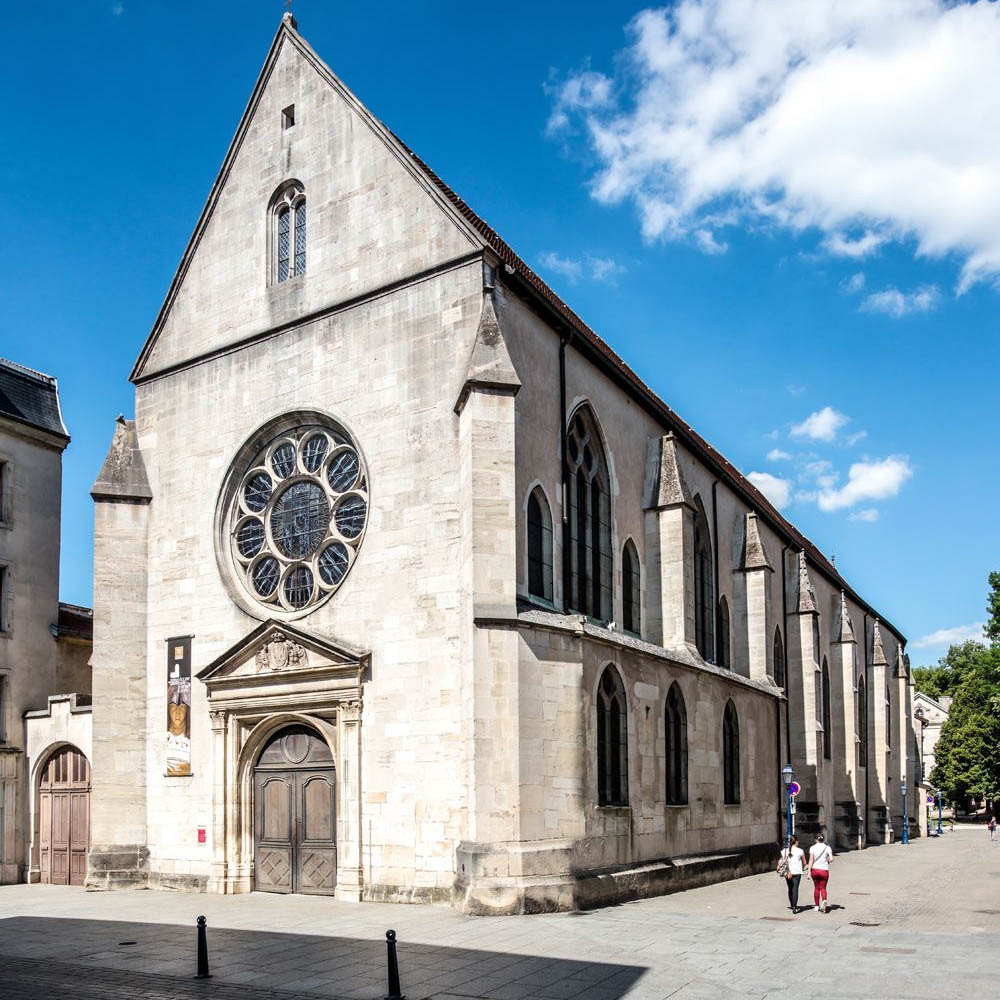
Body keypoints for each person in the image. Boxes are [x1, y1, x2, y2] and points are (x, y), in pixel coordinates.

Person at [807, 833, 834, 913]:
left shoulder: (812, 848)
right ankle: (824, 900)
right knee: (823, 888)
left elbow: (811, 860)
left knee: (816, 888)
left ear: (816, 840)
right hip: (824, 870)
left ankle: (816, 906)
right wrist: (827, 860)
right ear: (823, 839)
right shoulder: (827, 847)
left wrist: (809, 871)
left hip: (815, 870)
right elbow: (831, 859)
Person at [779, 835, 806, 912]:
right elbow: (804, 863)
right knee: (795, 889)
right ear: (796, 841)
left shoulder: (784, 851)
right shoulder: (800, 851)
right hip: (797, 872)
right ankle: (794, 907)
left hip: (788, 872)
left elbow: (783, 861)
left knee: (790, 888)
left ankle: (792, 904)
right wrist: (804, 868)